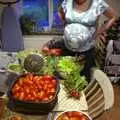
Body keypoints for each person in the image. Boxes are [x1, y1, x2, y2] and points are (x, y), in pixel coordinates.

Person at [42, 0, 116, 82]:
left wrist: (98, 33)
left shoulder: (98, 3)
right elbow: (60, 12)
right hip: (67, 48)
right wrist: (67, 27)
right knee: (65, 77)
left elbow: (113, 17)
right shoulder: (67, 1)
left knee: (81, 81)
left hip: (86, 52)